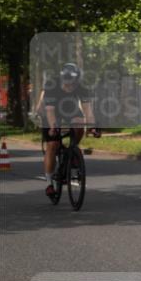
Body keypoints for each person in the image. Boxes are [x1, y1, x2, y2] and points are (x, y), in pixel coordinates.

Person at [40, 63, 99, 198]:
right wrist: (53, 127)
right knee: (52, 145)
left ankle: (72, 152)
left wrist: (92, 126)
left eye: (73, 83)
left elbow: (87, 110)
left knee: (79, 123)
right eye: (67, 82)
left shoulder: (82, 87)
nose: (70, 85)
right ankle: (49, 183)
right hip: (51, 113)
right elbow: (49, 111)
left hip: (70, 110)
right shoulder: (52, 85)